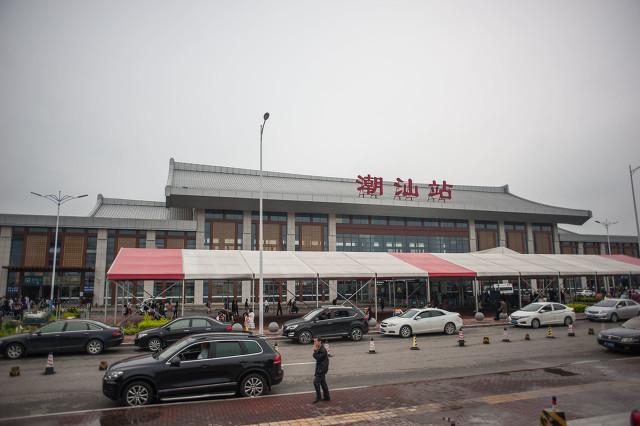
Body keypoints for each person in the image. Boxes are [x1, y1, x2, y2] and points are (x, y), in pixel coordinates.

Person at [312, 338, 330, 403]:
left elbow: (318, 358)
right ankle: (327, 397)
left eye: (315, 341)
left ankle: (319, 397)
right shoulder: (320, 348)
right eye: (314, 341)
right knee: (323, 383)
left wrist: (314, 351)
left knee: (316, 382)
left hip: (321, 370)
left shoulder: (322, 350)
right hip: (321, 369)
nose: (314, 343)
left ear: (319, 342)